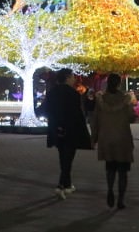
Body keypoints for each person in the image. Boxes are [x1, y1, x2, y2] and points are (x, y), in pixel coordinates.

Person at [42, 68, 92, 200]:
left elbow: (44, 109)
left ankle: (68, 185)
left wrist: (53, 120)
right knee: (68, 158)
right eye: (73, 77)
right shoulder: (73, 93)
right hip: (71, 130)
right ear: (67, 77)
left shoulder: (52, 92)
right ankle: (60, 186)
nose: (75, 79)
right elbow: (78, 114)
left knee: (63, 157)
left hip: (56, 129)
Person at [91, 73, 137, 209]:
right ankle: (120, 199)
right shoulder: (125, 99)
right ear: (119, 84)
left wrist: (94, 138)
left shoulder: (101, 99)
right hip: (122, 139)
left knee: (110, 167)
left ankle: (110, 189)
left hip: (107, 138)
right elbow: (131, 118)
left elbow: (95, 120)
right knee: (123, 171)